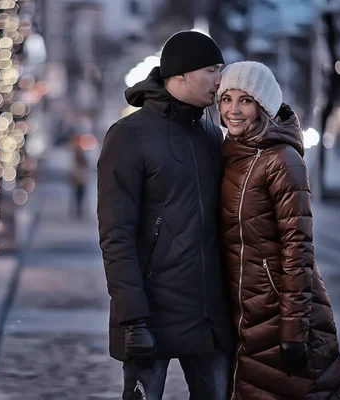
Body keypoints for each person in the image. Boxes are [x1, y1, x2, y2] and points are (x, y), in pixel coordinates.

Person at [97, 31, 234, 400]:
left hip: (208, 316)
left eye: (221, 69)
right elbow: (116, 235)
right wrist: (133, 319)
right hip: (150, 314)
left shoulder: (211, 134)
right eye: (211, 70)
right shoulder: (129, 135)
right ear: (180, 75)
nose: (220, 80)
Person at [217, 61, 340, 399]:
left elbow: (298, 248)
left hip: (279, 315)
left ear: (263, 106)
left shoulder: (281, 159)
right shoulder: (231, 155)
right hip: (247, 314)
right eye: (226, 99)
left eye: (245, 100)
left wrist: (294, 329)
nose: (233, 110)